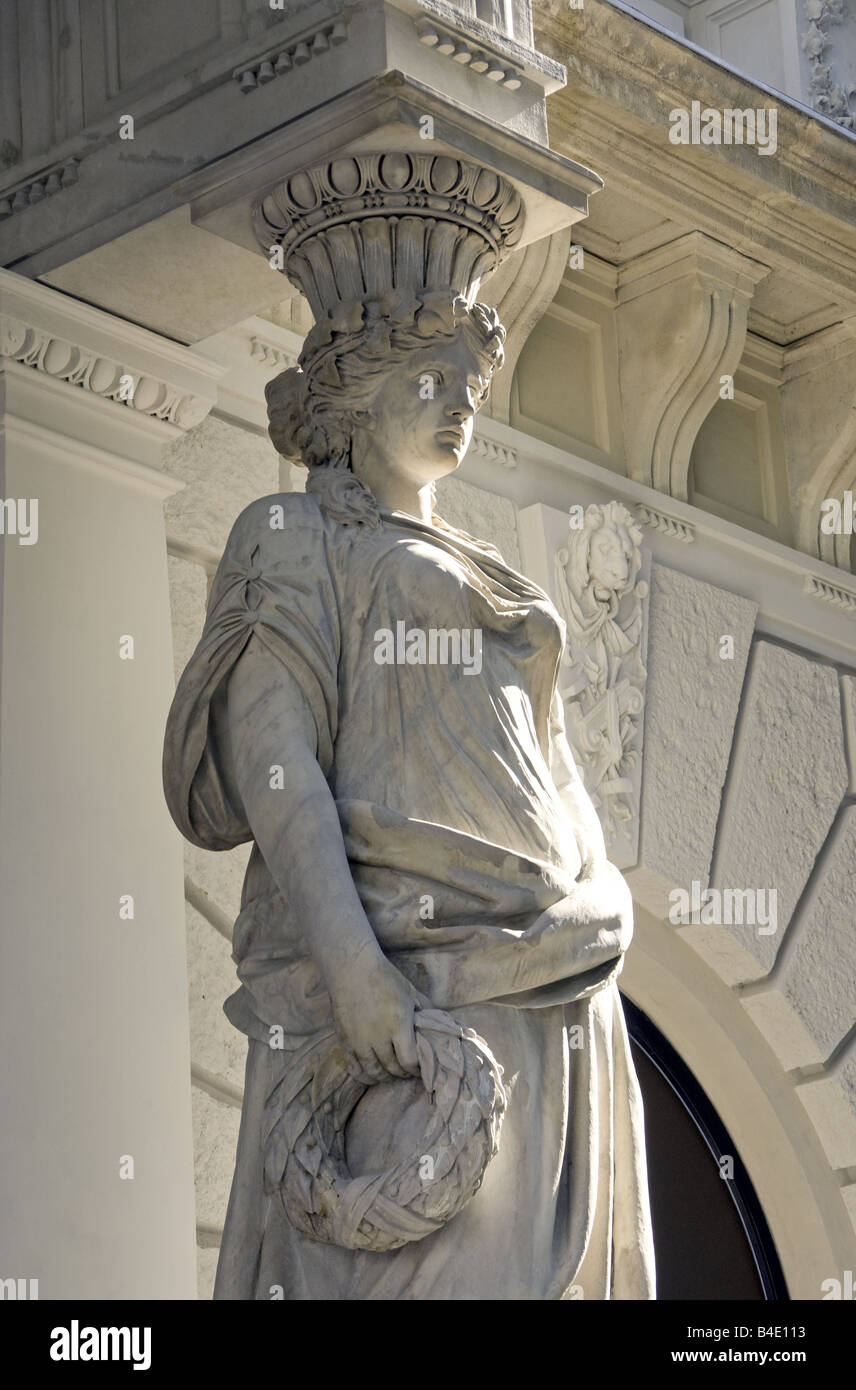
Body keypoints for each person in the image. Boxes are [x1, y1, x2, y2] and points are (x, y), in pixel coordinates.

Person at [163, 287, 655, 1300]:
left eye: (469, 385)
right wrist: (353, 969)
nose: (460, 403)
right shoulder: (291, 531)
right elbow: (275, 762)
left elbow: (554, 761)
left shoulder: (489, 570)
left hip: (553, 970)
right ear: (348, 402)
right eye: (428, 380)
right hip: (406, 991)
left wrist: (604, 894)